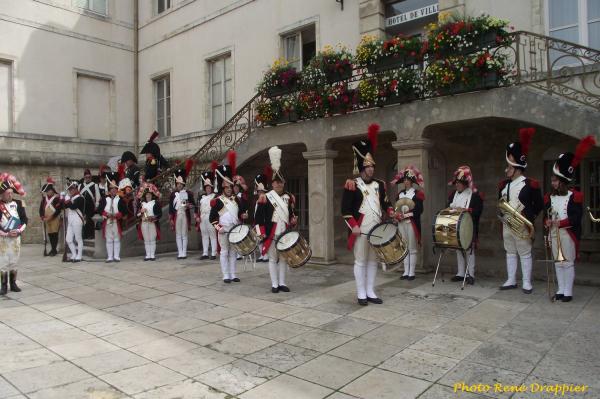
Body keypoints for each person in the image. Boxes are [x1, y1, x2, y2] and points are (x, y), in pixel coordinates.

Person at [341, 124, 392, 305]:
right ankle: (361, 292)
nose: (371, 169)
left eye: (372, 166)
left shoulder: (380, 184)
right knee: (361, 261)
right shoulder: (352, 184)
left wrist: (391, 210)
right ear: (361, 168)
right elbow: (345, 210)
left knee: (373, 261)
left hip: (376, 228)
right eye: (367, 167)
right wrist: (353, 226)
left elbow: (385, 203)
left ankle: (370, 290)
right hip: (360, 229)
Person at [544, 136, 595, 302]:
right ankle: (560, 289)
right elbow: (546, 215)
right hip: (553, 233)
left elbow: (575, 217)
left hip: (567, 234)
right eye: (552, 180)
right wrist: (547, 222)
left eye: (555, 180)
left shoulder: (575, 196)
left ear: (562, 181)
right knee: (558, 263)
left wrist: (560, 223)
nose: (552, 183)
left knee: (567, 263)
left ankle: (568, 291)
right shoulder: (549, 197)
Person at [498, 128, 544, 294]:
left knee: (524, 252)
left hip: (522, 223)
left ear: (517, 167)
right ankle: (511, 279)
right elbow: (500, 202)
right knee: (510, 251)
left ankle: (526, 282)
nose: (507, 168)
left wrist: (527, 217)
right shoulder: (504, 185)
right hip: (507, 223)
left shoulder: (530, 184)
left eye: (509, 165)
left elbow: (538, 205)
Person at [255, 147, 298, 293]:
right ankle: (274, 284)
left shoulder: (289, 197)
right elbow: (258, 218)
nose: (279, 184)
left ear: (283, 183)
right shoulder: (265, 198)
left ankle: (282, 283)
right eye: (276, 182)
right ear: (272, 184)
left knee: (284, 259)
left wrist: (293, 220)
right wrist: (261, 233)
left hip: (284, 233)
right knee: (273, 259)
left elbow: (292, 214)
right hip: (271, 234)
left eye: (281, 182)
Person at [209, 151, 248, 283]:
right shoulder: (218, 201)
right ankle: (225, 275)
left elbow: (241, 213)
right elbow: (212, 218)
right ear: (223, 188)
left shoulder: (237, 200)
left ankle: (233, 274)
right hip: (224, 229)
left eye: (231, 187)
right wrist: (218, 227)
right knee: (224, 252)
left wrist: (244, 214)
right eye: (227, 188)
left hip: (235, 229)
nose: (230, 189)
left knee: (233, 253)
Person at [446, 166, 484, 285]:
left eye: (459, 182)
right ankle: (460, 273)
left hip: (469, 226)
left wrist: (466, 211)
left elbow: (478, 211)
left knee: (469, 250)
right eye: (456, 182)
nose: (457, 185)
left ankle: (470, 274)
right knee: (458, 249)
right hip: (455, 225)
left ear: (465, 183)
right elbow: (448, 207)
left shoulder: (474, 195)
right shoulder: (453, 195)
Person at [391, 165, 425, 281]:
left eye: (408, 180)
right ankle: (405, 271)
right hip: (401, 223)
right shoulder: (399, 194)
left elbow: (419, 210)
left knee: (412, 247)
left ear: (412, 182)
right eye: (405, 180)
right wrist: (396, 215)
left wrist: (406, 215)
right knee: (404, 247)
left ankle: (412, 272)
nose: (406, 182)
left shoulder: (417, 194)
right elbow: (396, 208)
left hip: (411, 223)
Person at [0, 173, 27, 295]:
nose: (10, 195)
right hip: (3, 239)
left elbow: (24, 220)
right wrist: (5, 233)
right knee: (3, 262)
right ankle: (4, 286)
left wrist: (19, 230)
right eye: (7, 193)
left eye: (11, 192)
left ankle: (13, 283)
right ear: (2, 194)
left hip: (16, 238)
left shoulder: (19, 203)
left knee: (14, 261)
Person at [169, 160, 196, 260]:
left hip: (184, 214)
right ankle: (179, 252)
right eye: (178, 184)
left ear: (183, 184)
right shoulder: (173, 194)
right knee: (178, 234)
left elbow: (193, 204)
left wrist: (189, 205)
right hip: (177, 215)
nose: (179, 185)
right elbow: (171, 207)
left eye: (181, 184)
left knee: (184, 234)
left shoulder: (188, 193)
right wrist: (171, 218)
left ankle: (184, 252)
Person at [99, 172, 128, 263]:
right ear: (109, 190)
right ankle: (110, 257)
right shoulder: (105, 199)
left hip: (116, 222)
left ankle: (116, 256)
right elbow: (100, 209)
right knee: (109, 239)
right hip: (107, 221)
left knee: (116, 239)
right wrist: (106, 214)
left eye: (115, 189)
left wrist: (116, 215)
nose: (113, 190)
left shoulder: (120, 199)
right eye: (111, 189)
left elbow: (124, 211)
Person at [137, 182, 162, 261]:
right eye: (147, 194)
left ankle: (152, 255)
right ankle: (147, 255)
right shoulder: (142, 204)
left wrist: (154, 217)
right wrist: (141, 211)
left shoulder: (155, 203)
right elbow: (136, 215)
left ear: (152, 195)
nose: (148, 196)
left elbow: (159, 214)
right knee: (146, 240)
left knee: (152, 239)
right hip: (144, 223)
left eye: (150, 194)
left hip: (152, 223)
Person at [63, 180, 85, 262]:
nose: (70, 191)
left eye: (72, 189)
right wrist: (62, 200)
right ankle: (74, 254)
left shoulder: (80, 198)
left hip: (77, 219)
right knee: (68, 239)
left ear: (76, 189)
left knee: (78, 238)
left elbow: (73, 206)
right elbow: (64, 206)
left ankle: (79, 255)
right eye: (70, 189)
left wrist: (67, 199)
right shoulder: (71, 198)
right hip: (71, 220)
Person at [39, 177, 62, 256]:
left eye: (49, 191)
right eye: (47, 191)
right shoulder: (43, 199)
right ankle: (52, 249)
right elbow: (41, 209)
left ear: (52, 191)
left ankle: (54, 250)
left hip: (54, 219)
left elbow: (58, 210)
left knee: (54, 234)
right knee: (50, 234)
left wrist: (51, 217)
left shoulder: (56, 199)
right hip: (46, 219)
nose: (48, 192)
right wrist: (42, 217)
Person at [198, 169, 217, 260]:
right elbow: (198, 208)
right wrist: (197, 216)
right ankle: (205, 252)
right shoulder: (201, 197)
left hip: (210, 216)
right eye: (206, 187)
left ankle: (213, 253)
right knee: (204, 235)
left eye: (209, 187)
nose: (207, 188)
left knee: (212, 235)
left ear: (211, 187)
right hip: (203, 217)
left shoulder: (214, 196)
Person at [253, 172, 270, 262]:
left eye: (259, 190)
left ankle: (265, 255)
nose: (258, 191)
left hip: (262, 222)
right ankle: (262, 255)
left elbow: (263, 212)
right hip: (258, 222)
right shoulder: (259, 197)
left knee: (263, 238)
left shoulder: (264, 197)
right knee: (259, 238)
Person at [79, 169, 100, 240]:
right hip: (82, 206)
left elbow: (98, 196)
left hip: (90, 205)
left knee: (90, 221)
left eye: (89, 177)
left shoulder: (95, 185)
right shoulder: (80, 185)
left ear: (91, 177)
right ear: (84, 177)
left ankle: (91, 234)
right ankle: (84, 234)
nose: (87, 178)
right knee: (82, 220)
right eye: (86, 177)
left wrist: (96, 205)